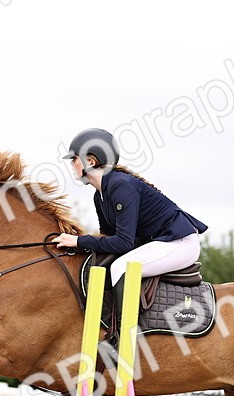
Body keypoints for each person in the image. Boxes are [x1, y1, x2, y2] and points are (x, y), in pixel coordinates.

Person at [51, 128, 207, 324]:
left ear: (90, 161)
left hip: (179, 243)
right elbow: (108, 237)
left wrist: (78, 240)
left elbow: (124, 243)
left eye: (74, 159)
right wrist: (78, 245)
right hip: (159, 243)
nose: (72, 164)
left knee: (121, 267)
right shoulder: (99, 195)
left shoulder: (120, 185)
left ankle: (123, 334)